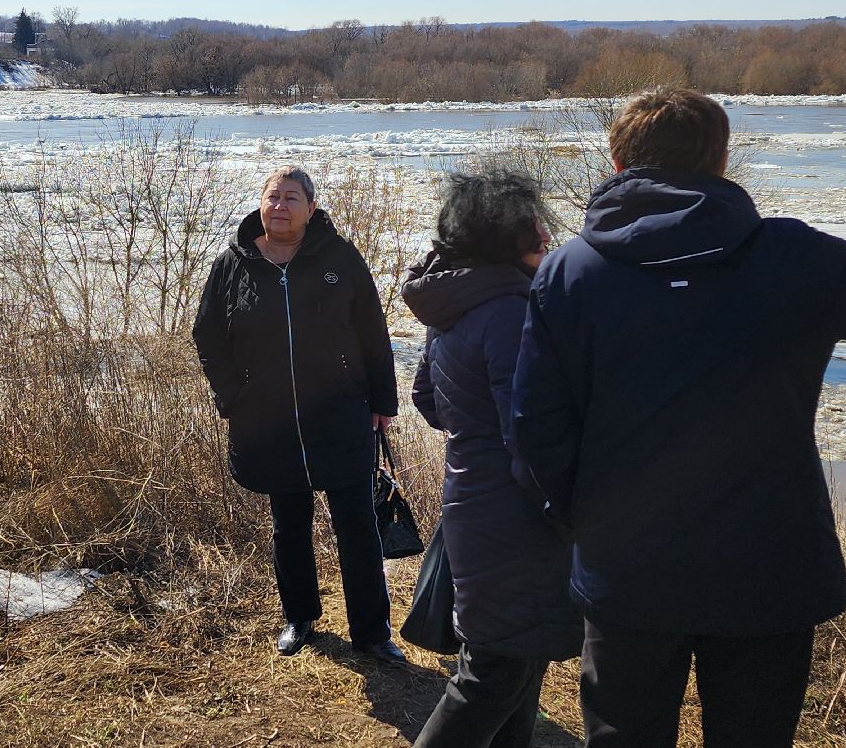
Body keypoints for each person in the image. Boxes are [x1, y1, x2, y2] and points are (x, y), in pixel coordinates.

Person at [511, 86, 846, 748]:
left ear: (617, 163)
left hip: (627, 569)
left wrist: (580, 521)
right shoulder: (792, 258)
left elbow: (533, 427)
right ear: (721, 162)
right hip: (769, 567)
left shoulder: (570, 274)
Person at [193, 165, 404, 662]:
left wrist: (382, 402)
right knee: (289, 522)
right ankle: (300, 617)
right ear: (260, 205)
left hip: (340, 415)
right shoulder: (233, 265)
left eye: (292, 198)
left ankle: (372, 633)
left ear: (311, 208)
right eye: (273, 197)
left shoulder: (340, 258)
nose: (280, 206)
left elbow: (373, 331)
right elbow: (208, 336)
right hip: (271, 421)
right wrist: (233, 396)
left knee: (356, 523)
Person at [401, 169, 582, 748]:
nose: (545, 237)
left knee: (520, 666)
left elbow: (428, 398)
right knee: (494, 672)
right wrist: (567, 505)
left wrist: (472, 436)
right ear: (505, 236)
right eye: (535, 228)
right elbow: (527, 432)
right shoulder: (509, 311)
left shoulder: (462, 301)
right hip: (515, 517)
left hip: (477, 502)